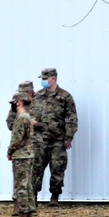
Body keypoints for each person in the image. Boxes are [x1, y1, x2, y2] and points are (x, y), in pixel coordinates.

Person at [32, 68, 78, 207]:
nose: (43, 81)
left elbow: (72, 118)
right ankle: (33, 196)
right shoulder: (37, 96)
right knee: (36, 168)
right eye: (42, 79)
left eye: (45, 79)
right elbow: (30, 114)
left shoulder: (65, 97)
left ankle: (54, 197)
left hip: (57, 140)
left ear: (53, 78)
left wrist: (68, 137)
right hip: (39, 139)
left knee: (57, 168)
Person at [7, 93, 37, 217]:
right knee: (28, 185)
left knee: (21, 185)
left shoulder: (21, 118)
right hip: (28, 154)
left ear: (18, 102)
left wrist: (10, 151)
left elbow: (16, 139)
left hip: (21, 155)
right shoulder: (28, 117)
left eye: (13, 103)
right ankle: (29, 216)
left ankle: (22, 216)